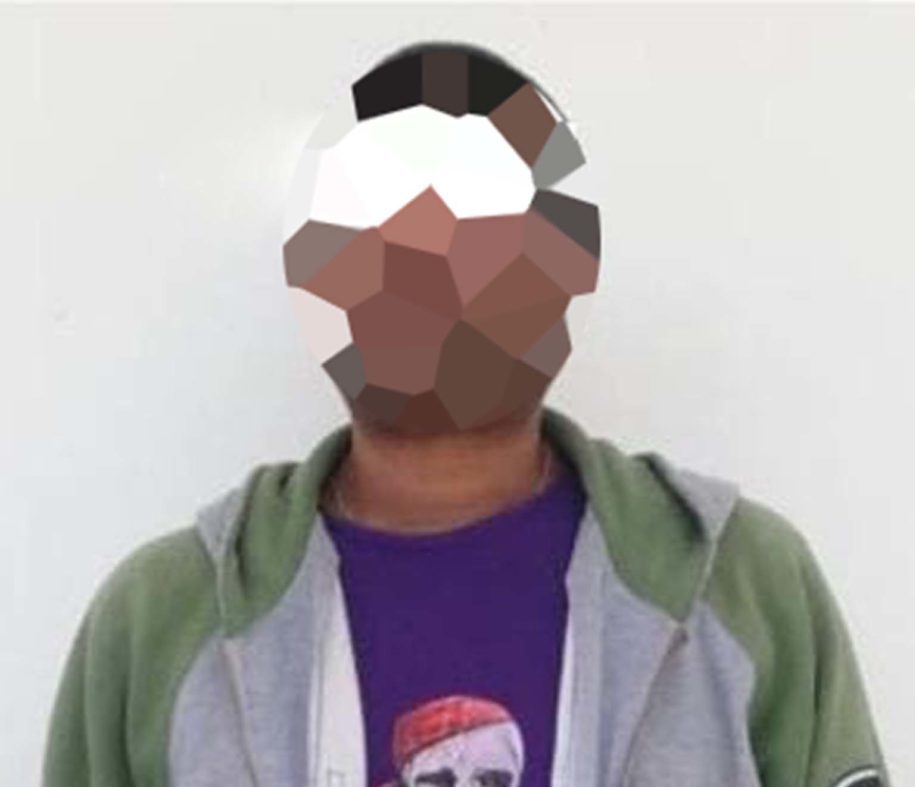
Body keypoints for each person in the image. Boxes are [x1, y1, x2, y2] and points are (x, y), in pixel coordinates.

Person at [41, 41, 891, 787]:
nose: (430, 262)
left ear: (568, 271)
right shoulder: (158, 624)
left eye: (479, 225)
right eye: (382, 225)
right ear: (312, 274)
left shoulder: (745, 588)